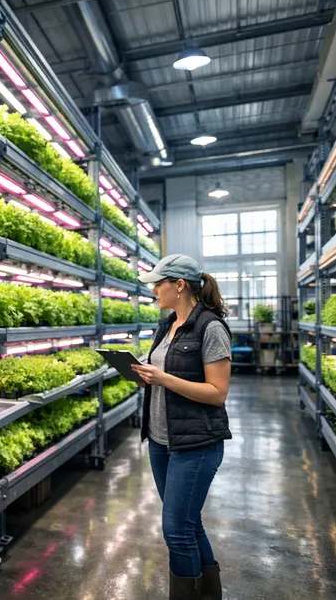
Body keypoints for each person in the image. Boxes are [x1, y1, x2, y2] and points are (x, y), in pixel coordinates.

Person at [130, 254, 232, 600]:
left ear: (179, 285)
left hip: (197, 444)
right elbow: (160, 371)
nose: (154, 291)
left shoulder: (211, 328)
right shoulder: (167, 325)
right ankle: (209, 593)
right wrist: (145, 375)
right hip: (161, 440)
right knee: (188, 524)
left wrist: (165, 379)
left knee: (175, 531)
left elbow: (217, 394)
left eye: (159, 284)